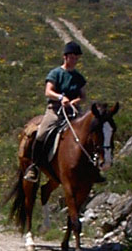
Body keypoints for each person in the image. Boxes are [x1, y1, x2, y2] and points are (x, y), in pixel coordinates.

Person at [26, 40, 101, 183]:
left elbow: (83, 95)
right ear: (65, 57)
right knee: (41, 133)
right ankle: (34, 166)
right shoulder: (56, 73)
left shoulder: (79, 77)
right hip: (55, 110)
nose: (73, 60)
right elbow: (48, 92)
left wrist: (76, 101)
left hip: (73, 111)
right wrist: (61, 97)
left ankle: (92, 169)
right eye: (71, 57)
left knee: (90, 134)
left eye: (76, 57)